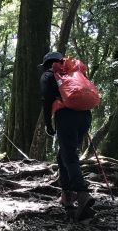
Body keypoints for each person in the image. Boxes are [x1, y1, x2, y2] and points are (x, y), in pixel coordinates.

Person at [40, 51, 96, 221]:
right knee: (63, 154)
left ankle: (82, 194)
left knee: (69, 155)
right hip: (85, 116)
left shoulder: (49, 75)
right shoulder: (74, 73)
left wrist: (48, 124)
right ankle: (66, 197)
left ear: (47, 64)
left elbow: (46, 100)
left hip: (66, 116)